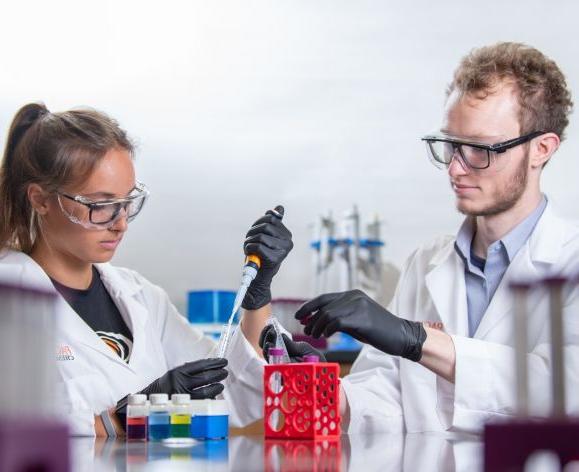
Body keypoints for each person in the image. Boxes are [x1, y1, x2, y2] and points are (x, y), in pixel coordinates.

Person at [292, 42, 579, 433]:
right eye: (450, 145)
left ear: (541, 149)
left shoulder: (572, 261)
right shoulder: (425, 262)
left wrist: (417, 340)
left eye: (479, 149)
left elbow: (562, 389)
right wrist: (320, 387)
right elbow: (387, 397)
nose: (456, 169)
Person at [0, 103, 293, 436]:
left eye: (126, 202)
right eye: (101, 205)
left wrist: (257, 296)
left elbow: (230, 394)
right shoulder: (9, 297)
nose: (120, 223)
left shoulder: (142, 298)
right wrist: (123, 418)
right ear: (40, 199)